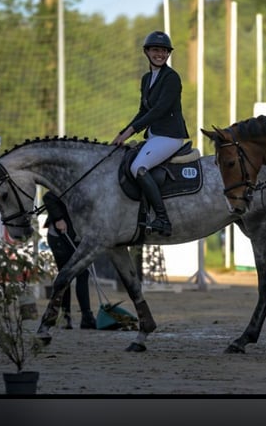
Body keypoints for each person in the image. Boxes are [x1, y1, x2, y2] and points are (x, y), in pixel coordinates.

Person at [112, 30, 190, 236]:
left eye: (164, 51)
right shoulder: (147, 79)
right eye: (156, 50)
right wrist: (122, 135)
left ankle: (163, 218)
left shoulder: (172, 78)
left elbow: (158, 111)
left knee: (138, 167)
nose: (160, 54)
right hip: (154, 136)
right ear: (146, 52)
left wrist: (130, 131)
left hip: (170, 136)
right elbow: (143, 111)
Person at [42, 191, 97, 330]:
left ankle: (87, 316)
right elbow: (48, 197)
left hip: (79, 236)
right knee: (65, 276)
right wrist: (58, 218)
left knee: (83, 274)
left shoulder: (91, 188)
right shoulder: (68, 184)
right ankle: (65, 316)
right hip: (60, 236)